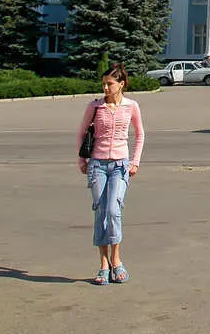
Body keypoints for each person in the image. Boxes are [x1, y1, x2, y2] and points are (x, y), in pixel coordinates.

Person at [77, 63, 145, 285]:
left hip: (119, 165)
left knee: (113, 210)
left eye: (110, 84)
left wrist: (135, 161)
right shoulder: (95, 107)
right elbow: (81, 132)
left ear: (121, 84)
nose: (105, 88)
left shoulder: (131, 106)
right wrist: (82, 159)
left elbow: (140, 134)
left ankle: (116, 260)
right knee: (100, 212)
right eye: (103, 84)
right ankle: (103, 264)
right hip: (97, 164)